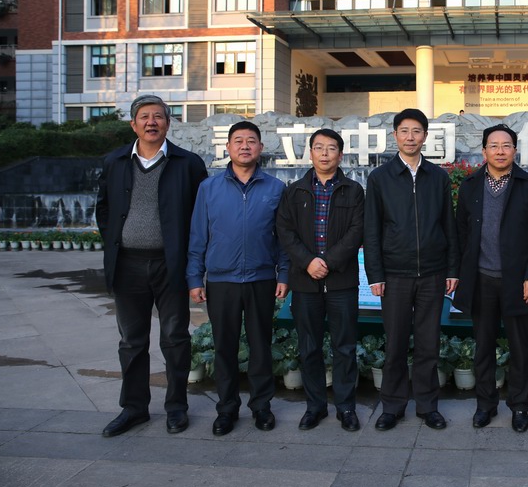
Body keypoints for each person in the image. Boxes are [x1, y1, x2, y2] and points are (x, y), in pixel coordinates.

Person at [96, 94, 207, 437]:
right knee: (131, 340)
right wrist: (117, 241)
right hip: (127, 265)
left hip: (170, 265)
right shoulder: (115, 162)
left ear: (168, 123)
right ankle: (134, 408)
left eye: (158, 116)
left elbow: (201, 216)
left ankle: (176, 407)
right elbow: (104, 209)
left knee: (175, 338)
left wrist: (194, 265)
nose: (151, 122)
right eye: (144, 117)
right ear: (133, 124)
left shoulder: (188, 163)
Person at [186, 121, 289, 436]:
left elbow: (283, 238)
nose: (245, 146)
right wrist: (194, 277)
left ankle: (261, 407)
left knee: (260, 346)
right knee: (224, 348)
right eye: (239, 140)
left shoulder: (275, 188)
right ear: (228, 147)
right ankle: (226, 409)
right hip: (221, 281)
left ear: (260, 148)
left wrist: (283, 273)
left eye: (251, 141)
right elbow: (198, 236)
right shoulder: (209, 188)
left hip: (261, 279)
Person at [363, 108, 460, 431]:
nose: (410, 137)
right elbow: (371, 230)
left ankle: (427, 406)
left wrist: (452, 269)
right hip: (395, 275)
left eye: (416, 131)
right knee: (395, 344)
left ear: (425, 136)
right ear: (395, 136)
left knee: (429, 344)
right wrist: (375, 275)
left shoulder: (438, 177)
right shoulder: (380, 178)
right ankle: (392, 406)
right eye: (404, 131)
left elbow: (448, 225)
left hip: (433, 273)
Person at [453, 124, 528, 432]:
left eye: (506, 145)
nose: (500, 151)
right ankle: (485, 405)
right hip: (481, 280)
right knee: (483, 346)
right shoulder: (470, 185)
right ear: (484, 151)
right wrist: (459, 274)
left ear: (515, 150)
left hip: (518, 282)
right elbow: (461, 232)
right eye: (493, 146)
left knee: (520, 347)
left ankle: (519, 406)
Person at [276, 128, 365, 432]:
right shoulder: (294, 191)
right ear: (310, 153)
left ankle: (346, 407)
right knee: (309, 347)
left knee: (344, 347)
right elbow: (285, 231)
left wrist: (328, 261)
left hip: (342, 282)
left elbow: (357, 231)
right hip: (305, 283)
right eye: (318, 147)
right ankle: (314, 407)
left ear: (341, 155)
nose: (325, 153)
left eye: (331, 148)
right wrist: (308, 262)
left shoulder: (353, 190)